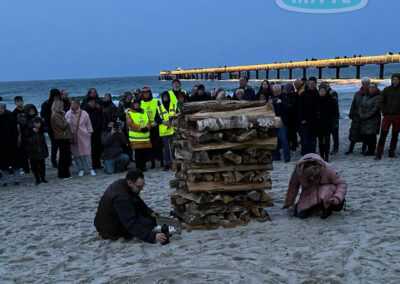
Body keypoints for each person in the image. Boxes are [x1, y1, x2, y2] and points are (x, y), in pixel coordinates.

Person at [94, 169, 168, 244]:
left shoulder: (125, 184)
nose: (141, 189)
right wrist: (152, 237)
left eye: (142, 186)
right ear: (130, 183)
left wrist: (149, 212)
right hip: (110, 230)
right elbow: (130, 223)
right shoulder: (121, 197)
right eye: (139, 187)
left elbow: (138, 201)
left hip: (114, 220)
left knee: (151, 219)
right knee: (148, 224)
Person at [283, 154, 347, 219]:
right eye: (309, 177)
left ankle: (328, 206)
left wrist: (337, 198)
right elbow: (293, 188)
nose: (312, 179)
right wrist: (289, 203)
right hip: (309, 192)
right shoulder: (298, 171)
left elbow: (341, 183)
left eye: (315, 177)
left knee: (330, 197)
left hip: (327, 191)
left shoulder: (327, 169)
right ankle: (317, 206)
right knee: (300, 215)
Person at [66, 97, 96, 177]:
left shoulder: (84, 113)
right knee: (76, 154)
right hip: (74, 137)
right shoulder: (68, 114)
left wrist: (89, 134)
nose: (73, 105)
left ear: (78, 104)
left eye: (74, 103)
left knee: (87, 153)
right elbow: (65, 126)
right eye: (71, 103)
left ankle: (90, 168)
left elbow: (88, 125)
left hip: (84, 135)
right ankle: (81, 169)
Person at [22, 104, 49, 185]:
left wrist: (40, 128)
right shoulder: (25, 121)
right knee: (34, 163)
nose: (32, 112)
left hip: (41, 144)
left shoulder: (39, 119)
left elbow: (46, 129)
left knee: (42, 162)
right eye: (30, 111)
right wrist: (32, 130)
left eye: (33, 110)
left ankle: (43, 178)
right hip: (31, 145)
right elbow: (24, 133)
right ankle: (37, 179)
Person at [376, 73, 400, 160]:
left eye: (397, 79)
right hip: (387, 116)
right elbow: (381, 102)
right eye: (394, 79)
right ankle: (379, 153)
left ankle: (391, 152)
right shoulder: (387, 90)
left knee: (395, 135)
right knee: (383, 134)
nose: (395, 81)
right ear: (391, 80)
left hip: (397, 116)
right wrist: (384, 112)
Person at [126, 99, 152, 172]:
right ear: (133, 105)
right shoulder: (129, 113)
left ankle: (143, 166)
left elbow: (149, 122)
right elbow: (131, 123)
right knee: (138, 154)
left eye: (138, 104)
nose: (137, 105)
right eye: (135, 104)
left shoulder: (145, 113)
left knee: (144, 153)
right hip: (135, 138)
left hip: (145, 138)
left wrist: (147, 128)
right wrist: (140, 129)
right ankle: (138, 167)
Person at [141, 86, 163, 169]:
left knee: (159, 146)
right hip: (147, 128)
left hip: (156, 126)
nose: (146, 94)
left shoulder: (156, 101)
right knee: (150, 146)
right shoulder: (141, 103)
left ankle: (161, 162)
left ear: (150, 93)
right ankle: (152, 163)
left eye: (147, 92)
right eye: (144, 93)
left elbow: (161, 112)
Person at [346, 77, 370, 155]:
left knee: (364, 134)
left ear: (369, 84)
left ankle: (363, 150)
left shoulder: (371, 93)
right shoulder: (357, 93)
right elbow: (353, 104)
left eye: (366, 84)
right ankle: (350, 150)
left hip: (366, 116)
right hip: (356, 116)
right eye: (363, 84)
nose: (364, 85)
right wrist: (351, 114)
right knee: (353, 133)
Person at [269, 84, 291, 162]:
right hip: (273, 120)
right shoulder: (271, 98)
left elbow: (289, 108)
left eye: (277, 91)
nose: (275, 93)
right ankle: (276, 156)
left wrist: (281, 102)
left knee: (283, 139)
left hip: (282, 121)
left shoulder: (285, 98)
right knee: (275, 139)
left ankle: (287, 157)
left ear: (280, 91)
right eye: (274, 92)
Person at [51, 100, 72, 179]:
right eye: (60, 106)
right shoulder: (55, 116)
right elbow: (62, 126)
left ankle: (66, 173)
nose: (62, 107)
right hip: (61, 137)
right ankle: (63, 174)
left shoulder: (59, 114)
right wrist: (68, 122)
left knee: (66, 156)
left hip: (64, 137)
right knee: (63, 157)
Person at [0, 103, 20, 187]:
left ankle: (16, 179)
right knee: (3, 164)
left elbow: (15, 131)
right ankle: (6, 180)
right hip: (1, 144)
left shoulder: (10, 117)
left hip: (12, 143)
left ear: (4, 108)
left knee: (15, 162)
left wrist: (16, 140)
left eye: (0, 108)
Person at [155, 91, 177, 171]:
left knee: (174, 148)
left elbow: (178, 115)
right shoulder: (159, 107)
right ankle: (167, 164)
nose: (165, 98)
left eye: (167, 97)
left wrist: (172, 122)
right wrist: (162, 121)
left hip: (173, 129)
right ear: (162, 98)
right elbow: (156, 119)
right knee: (166, 149)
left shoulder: (173, 105)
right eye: (164, 97)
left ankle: (175, 163)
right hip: (164, 131)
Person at [316, 83, 337, 162]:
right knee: (320, 141)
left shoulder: (330, 99)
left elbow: (334, 111)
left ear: (326, 91)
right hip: (319, 123)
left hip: (328, 123)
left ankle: (326, 156)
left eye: (323, 91)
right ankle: (321, 155)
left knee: (327, 140)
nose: (322, 92)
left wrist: (333, 122)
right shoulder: (316, 99)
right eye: (320, 91)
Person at [298, 77, 319, 155]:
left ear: (315, 84)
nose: (311, 85)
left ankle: (312, 154)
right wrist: (301, 119)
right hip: (305, 120)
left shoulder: (318, 94)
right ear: (308, 84)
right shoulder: (304, 94)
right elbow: (300, 108)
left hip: (314, 120)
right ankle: (304, 154)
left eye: (313, 84)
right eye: (310, 84)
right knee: (305, 139)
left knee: (313, 139)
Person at [40, 88, 61, 168]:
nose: (56, 97)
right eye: (55, 96)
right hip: (51, 127)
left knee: (62, 143)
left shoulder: (59, 103)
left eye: (57, 96)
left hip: (60, 126)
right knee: (54, 144)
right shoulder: (46, 104)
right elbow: (43, 116)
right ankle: (53, 161)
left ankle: (64, 159)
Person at [358, 83, 381, 156]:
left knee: (372, 135)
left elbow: (375, 109)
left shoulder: (378, 97)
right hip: (364, 118)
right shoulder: (365, 96)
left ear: (376, 88)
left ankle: (371, 151)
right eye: (370, 87)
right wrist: (361, 114)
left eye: (373, 87)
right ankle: (368, 150)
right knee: (366, 135)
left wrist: (366, 116)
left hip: (373, 119)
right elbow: (360, 106)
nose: (371, 88)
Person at [85, 97, 106, 169]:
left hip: (99, 131)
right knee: (93, 149)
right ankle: (93, 164)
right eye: (94, 102)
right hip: (91, 132)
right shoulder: (87, 111)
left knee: (99, 148)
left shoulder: (99, 111)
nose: (96, 104)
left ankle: (97, 163)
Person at [12, 96, 30, 174]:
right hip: (20, 134)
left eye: (20, 101)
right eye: (17, 101)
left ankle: (30, 167)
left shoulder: (27, 110)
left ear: (22, 101)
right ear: (15, 103)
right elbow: (14, 125)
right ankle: (25, 168)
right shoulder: (14, 113)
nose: (19, 103)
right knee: (22, 152)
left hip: (28, 133)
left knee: (30, 150)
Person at [117, 91, 134, 161]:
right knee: (124, 141)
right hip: (123, 125)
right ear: (125, 97)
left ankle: (131, 157)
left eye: (130, 96)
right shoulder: (121, 104)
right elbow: (118, 115)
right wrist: (125, 113)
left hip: (130, 124)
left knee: (131, 141)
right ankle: (125, 156)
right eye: (128, 96)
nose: (129, 98)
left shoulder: (132, 104)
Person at [325, 82, 340, 154]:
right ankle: (328, 147)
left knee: (335, 133)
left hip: (334, 116)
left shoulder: (333, 93)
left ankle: (335, 148)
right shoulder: (323, 93)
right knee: (327, 133)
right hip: (327, 117)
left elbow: (334, 104)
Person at [284, 83, 300, 151]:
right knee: (293, 133)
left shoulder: (288, 96)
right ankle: (294, 145)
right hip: (295, 117)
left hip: (290, 117)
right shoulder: (296, 95)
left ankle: (293, 146)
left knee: (290, 133)